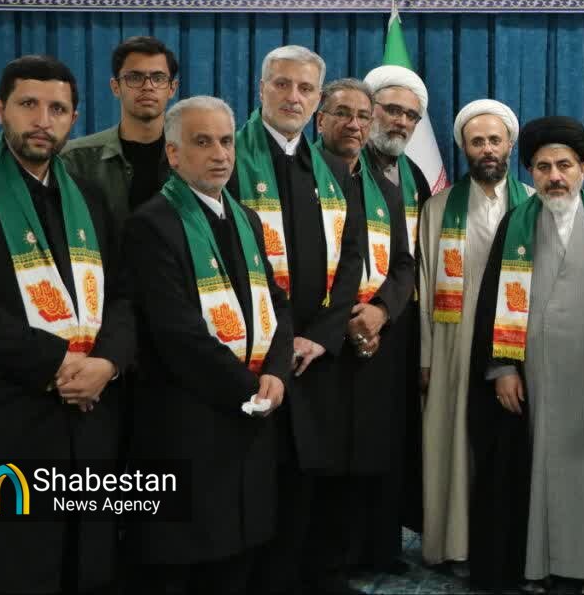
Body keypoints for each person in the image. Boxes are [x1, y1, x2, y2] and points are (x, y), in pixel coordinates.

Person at [0, 55, 135, 595]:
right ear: (0, 109)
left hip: (88, 417)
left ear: (73, 118)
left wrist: (107, 362)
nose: (42, 120)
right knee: (5, 566)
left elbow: (122, 295)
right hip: (1, 418)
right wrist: (60, 363)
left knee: (84, 564)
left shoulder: (89, 197)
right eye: (28, 104)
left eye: (58, 109)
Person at [123, 96, 292, 595]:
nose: (220, 154)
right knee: (188, 562)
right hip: (190, 417)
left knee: (240, 556)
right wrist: (249, 389)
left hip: (252, 414)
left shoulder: (247, 220)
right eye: (203, 142)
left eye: (225, 141)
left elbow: (278, 306)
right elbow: (177, 333)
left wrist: (276, 372)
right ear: (174, 154)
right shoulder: (151, 224)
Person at [468, 117, 584, 594]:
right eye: (542, 167)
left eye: (564, 166)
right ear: (531, 173)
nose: (554, 176)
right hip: (532, 370)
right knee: (536, 467)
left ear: (583, 168)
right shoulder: (517, 223)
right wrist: (502, 367)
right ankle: (537, 566)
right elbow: (493, 301)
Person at [230, 45, 363, 595]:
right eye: (282, 84)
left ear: (317, 99)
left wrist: (322, 337)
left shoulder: (331, 170)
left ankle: (307, 577)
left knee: (310, 475)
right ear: (261, 88)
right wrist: (281, 343)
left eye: (306, 88)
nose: (293, 97)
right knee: (255, 478)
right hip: (252, 353)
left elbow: (352, 258)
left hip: (314, 355)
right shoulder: (229, 158)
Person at [304, 77, 418, 589]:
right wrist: (341, 320)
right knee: (328, 455)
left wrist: (380, 312)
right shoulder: (300, 178)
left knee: (373, 448)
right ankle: (328, 563)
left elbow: (404, 263)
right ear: (320, 119)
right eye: (342, 114)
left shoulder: (385, 186)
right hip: (319, 340)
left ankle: (372, 550)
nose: (354, 125)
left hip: (374, 336)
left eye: (362, 116)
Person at [417, 98, 530, 572]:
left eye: (495, 140)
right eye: (477, 141)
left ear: (510, 145)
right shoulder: (439, 207)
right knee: (454, 440)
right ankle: (456, 543)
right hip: (455, 342)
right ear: (464, 147)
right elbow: (426, 285)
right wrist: (426, 357)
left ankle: (515, 548)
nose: (487, 149)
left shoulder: (533, 202)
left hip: (519, 342)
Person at [354, 64, 435, 573]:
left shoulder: (415, 176)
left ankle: (382, 547)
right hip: (352, 324)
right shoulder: (341, 165)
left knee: (390, 441)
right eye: (392, 110)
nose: (401, 122)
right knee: (355, 442)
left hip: (398, 325)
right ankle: (345, 551)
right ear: (369, 112)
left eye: (411, 115)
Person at [62, 36, 180, 223]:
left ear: (172, 88)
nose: (147, 86)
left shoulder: (189, 157)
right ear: (115, 87)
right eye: (135, 77)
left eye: (158, 78)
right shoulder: (75, 159)